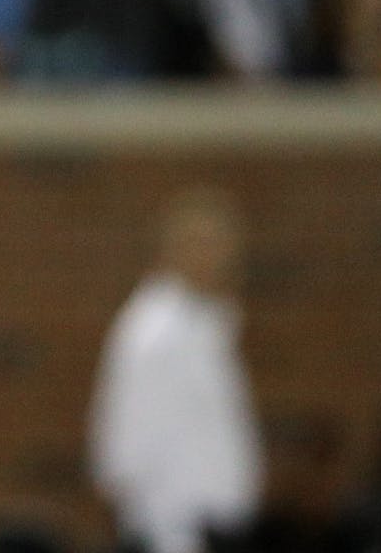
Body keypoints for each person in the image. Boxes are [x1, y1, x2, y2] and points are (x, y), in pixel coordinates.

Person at [87, 187, 263, 553]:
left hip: (217, 525)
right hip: (177, 528)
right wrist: (165, 532)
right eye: (204, 246)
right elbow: (126, 444)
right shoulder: (154, 333)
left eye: (222, 247)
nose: (217, 259)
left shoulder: (206, 324)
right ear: (174, 249)